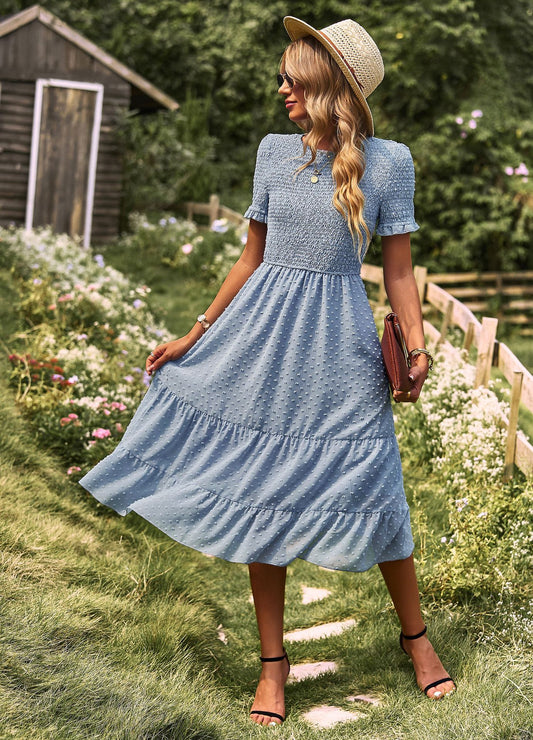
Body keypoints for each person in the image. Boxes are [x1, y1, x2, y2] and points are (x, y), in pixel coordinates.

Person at [79, 15, 456, 728]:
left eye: (292, 76)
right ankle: (273, 666)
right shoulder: (271, 153)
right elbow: (249, 259)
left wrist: (414, 345)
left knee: (376, 486)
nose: (280, 87)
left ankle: (417, 642)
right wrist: (193, 334)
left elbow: (400, 274)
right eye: (282, 76)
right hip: (262, 344)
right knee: (262, 492)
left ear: (328, 84)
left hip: (342, 349)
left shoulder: (390, 162)